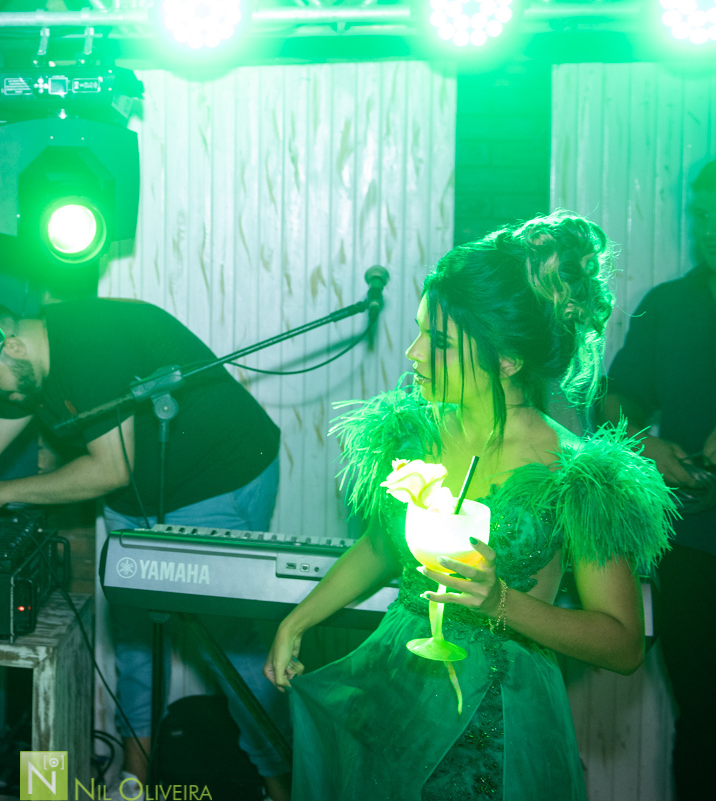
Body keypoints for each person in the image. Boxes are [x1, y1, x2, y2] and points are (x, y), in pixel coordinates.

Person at [264, 211, 675, 800]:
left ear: (506, 358)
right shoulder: (414, 436)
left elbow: (622, 645)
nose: (412, 353)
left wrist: (502, 602)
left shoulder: (580, 475)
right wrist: (296, 621)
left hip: (503, 721)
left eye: (438, 341)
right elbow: (382, 545)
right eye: (418, 331)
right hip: (397, 691)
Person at [0, 298, 290, 799]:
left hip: (217, 476)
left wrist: (3, 492)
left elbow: (109, 470)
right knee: (133, 639)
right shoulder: (27, 366)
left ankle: (287, 786)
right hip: (142, 490)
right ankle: (135, 785)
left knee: (228, 645)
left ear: (11, 345)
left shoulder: (87, 343)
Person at [601, 159, 716, 800]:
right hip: (698, 548)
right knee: (702, 721)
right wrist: (645, 444)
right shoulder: (667, 306)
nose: (709, 228)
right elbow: (616, 401)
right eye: (702, 214)